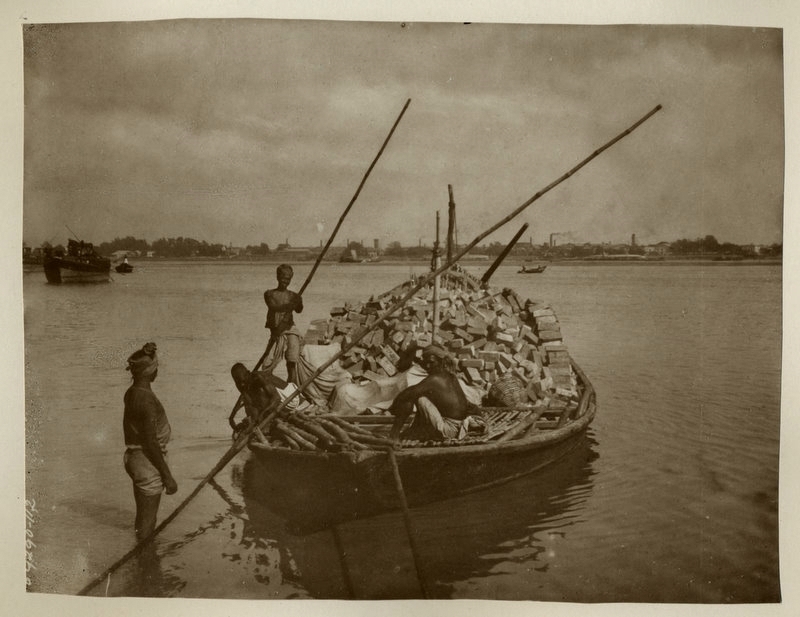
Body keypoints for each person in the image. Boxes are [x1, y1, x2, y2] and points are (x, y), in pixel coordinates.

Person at [122, 342, 177, 541]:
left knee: (143, 517)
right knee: (148, 521)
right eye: (156, 367)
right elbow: (151, 442)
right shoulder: (147, 400)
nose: (157, 371)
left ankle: (142, 559)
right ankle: (145, 563)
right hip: (147, 461)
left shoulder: (131, 393)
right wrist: (167, 476)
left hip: (133, 457)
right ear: (149, 372)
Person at [388, 344, 485, 442]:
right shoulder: (451, 376)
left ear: (441, 361)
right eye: (426, 363)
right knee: (420, 394)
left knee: (418, 397)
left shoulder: (434, 379)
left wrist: (394, 406)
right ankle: (413, 431)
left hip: (450, 430)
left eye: (431, 362)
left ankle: (393, 436)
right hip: (458, 426)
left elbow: (407, 395)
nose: (428, 366)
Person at [264, 264, 304, 384]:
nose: (285, 282)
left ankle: (292, 384)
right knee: (267, 362)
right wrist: (291, 305)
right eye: (283, 278)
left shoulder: (293, 296)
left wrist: (298, 301)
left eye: (288, 279)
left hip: (290, 328)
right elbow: (274, 307)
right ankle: (269, 384)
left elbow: (299, 310)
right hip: (276, 332)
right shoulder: (269, 294)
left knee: (292, 359)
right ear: (277, 277)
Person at [229, 363, 283, 435]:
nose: (241, 384)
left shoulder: (258, 377)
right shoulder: (241, 383)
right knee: (249, 400)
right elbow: (246, 399)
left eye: (243, 381)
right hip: (271, 403)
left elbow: (277, 398)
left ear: (248, 373)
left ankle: (265, 421)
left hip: (287, 397)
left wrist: (263, 414)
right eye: (238, 382)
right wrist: (232, 417)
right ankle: (257, 422)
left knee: (260, 396)